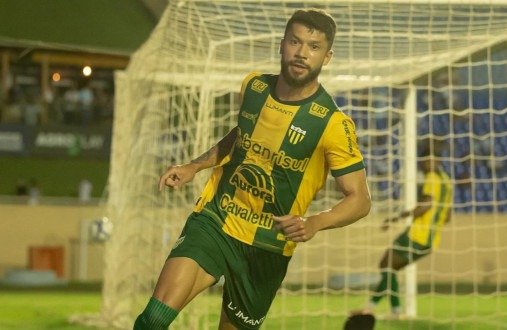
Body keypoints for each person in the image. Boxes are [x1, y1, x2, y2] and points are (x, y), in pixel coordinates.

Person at [134, 8, 371, 330]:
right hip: (217, 220)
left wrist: (314, 222)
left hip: (267, 247)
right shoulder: (254, 87)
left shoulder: (333, 123)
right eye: (295, 42)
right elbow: (240, 136)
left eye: (313, 47)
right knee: (151, 321)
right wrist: (194, 166)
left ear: (327, 57)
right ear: (282, 44)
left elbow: (359, 199)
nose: (302, 53)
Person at [352, 145, 452, 320]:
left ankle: (385, 310)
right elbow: (447, 216)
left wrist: (399, 217)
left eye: (426, 161)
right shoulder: (447, 181)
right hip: (431, 240)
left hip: (417, 235)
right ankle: (378, 309)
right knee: (389, 268)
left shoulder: (432, 178)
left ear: (433, 161)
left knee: (386, 264)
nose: (424, 165)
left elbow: (426, 205)